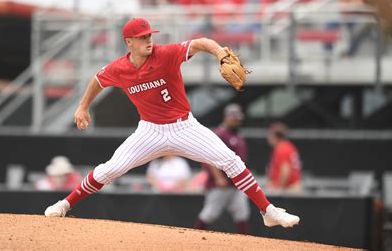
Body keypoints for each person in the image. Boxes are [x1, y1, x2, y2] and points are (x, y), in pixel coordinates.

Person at [44, 17, 300, 228]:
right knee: (109, 169)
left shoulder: (165, 54)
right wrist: (82, 106)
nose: (148, 40)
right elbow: (98, 80)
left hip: (184, 127)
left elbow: (200, 42)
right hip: (150, 131)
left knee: (231, 161)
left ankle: (268, 211)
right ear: (129, 42)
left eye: (149, 35)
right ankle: (65, 204)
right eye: (142, 37)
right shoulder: (119, 68)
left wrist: (220, 52)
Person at [194, 103, 250, 234]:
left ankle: (247, 244)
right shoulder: (220, 134)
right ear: (226, 117)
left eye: (238, 118)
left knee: (242, 213)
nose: (236, 120)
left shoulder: (238, 135)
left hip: (236, 184)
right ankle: (194, 238)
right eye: (233, 117)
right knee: (210, 213)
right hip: (219, 184)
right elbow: (209, 157)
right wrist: (218, 177)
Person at [266, 122, 303, 193]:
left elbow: (285, 171)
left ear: (276, 136)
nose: (268, 138)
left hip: (290, 189)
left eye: (270, 135)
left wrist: (279, 189)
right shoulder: (287, 146)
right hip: (291, 187)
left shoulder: (282, 148)